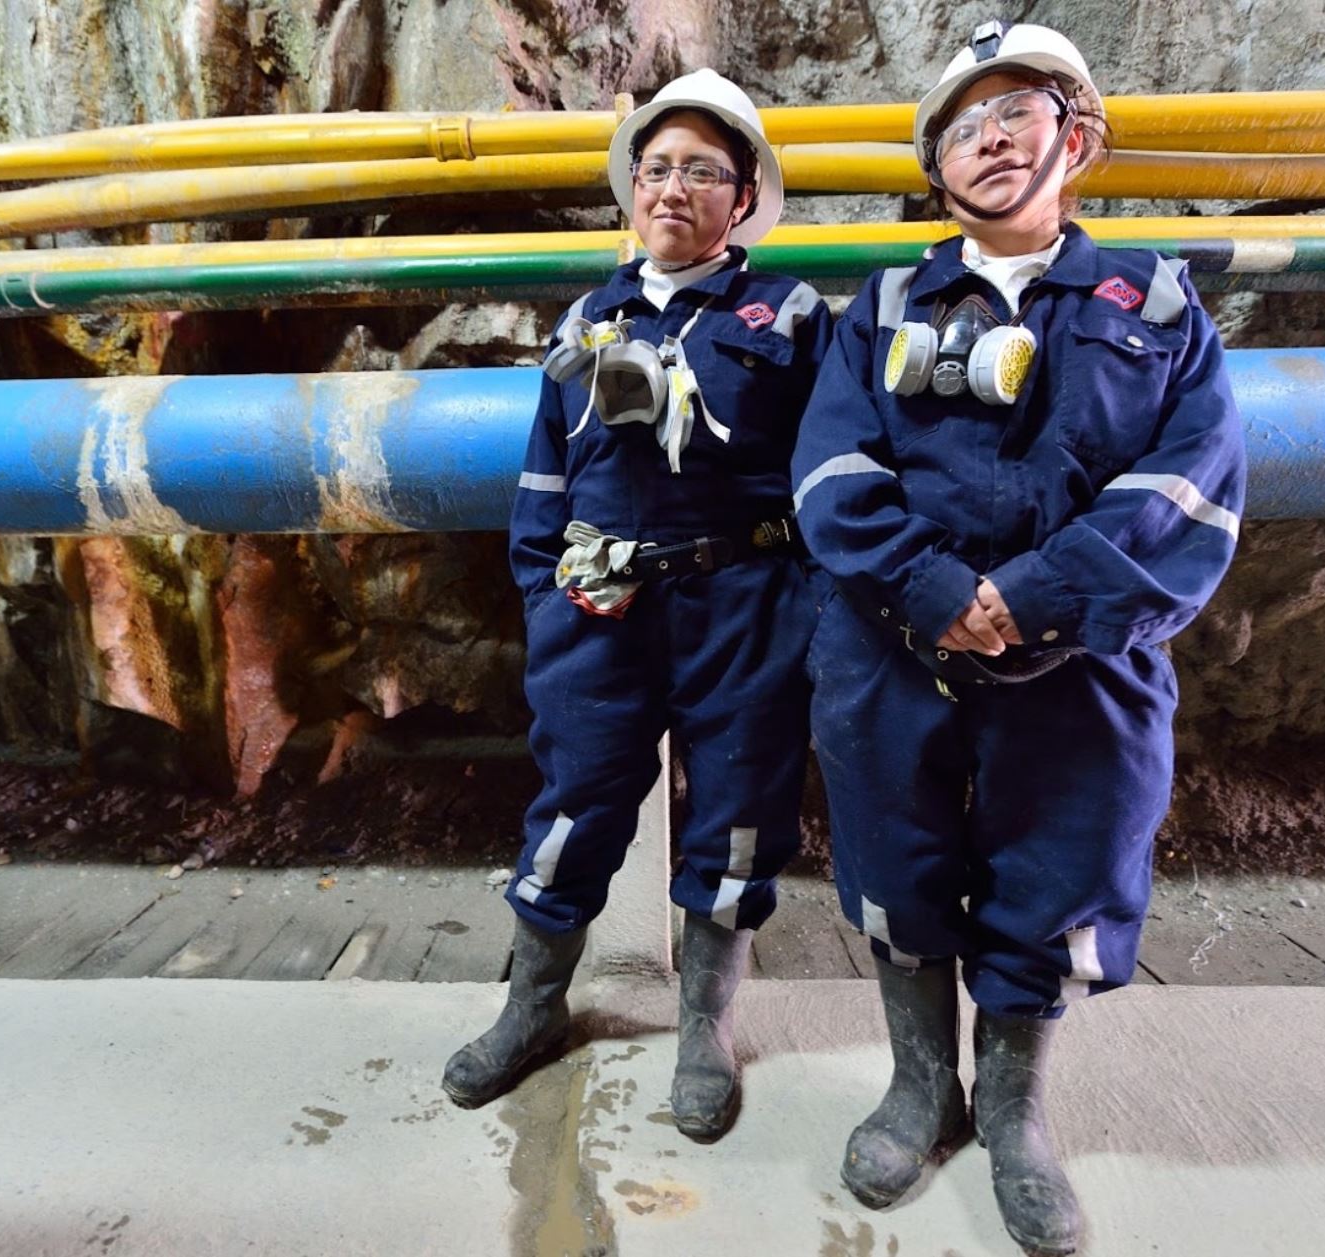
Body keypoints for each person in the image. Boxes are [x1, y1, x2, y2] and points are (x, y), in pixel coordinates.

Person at [790, 21, 1245, 1254]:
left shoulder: (1152, 304)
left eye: (1016, 115)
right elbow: (831, 471)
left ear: (1075, 136)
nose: (988, 140)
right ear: (933, 165)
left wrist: (1034, 595)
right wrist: (938, 591)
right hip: (894, 648)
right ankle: (916, 1085)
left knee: (1060, 869)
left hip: (1084, 664)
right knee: (894, 856)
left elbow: (1190, 489)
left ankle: (1014, 1114)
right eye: (960, 128)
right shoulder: (881, 304)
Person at [442, 69, 833, 1143]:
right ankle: (531, 1008)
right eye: (656, 168)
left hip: (744, 609)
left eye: (703, 171)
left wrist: (803, 613)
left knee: (741, 817)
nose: (674, 189)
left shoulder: (790, 319)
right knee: (574, 808)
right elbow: (541, 479)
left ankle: (705, 1029)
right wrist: (547, 596)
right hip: (601, 612)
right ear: (631, 191)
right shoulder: (587, 317)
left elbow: (833, 475)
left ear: (743, 195)